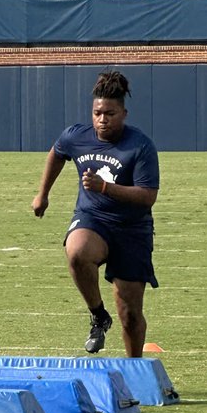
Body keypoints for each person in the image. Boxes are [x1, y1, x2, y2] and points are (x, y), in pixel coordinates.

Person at [32, 69, 159, 356]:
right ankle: (99, 316)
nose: (102, 120)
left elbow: (147, 196)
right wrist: (43, 194)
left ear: (124, 113)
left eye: (110, 114)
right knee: (76, 250)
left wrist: (106, 188)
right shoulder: (77, 136)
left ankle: (133, 369)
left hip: (131, 230)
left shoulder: (140, 146)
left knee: (130, 314)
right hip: (94, 220)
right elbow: (57, 152)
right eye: (97, 113)